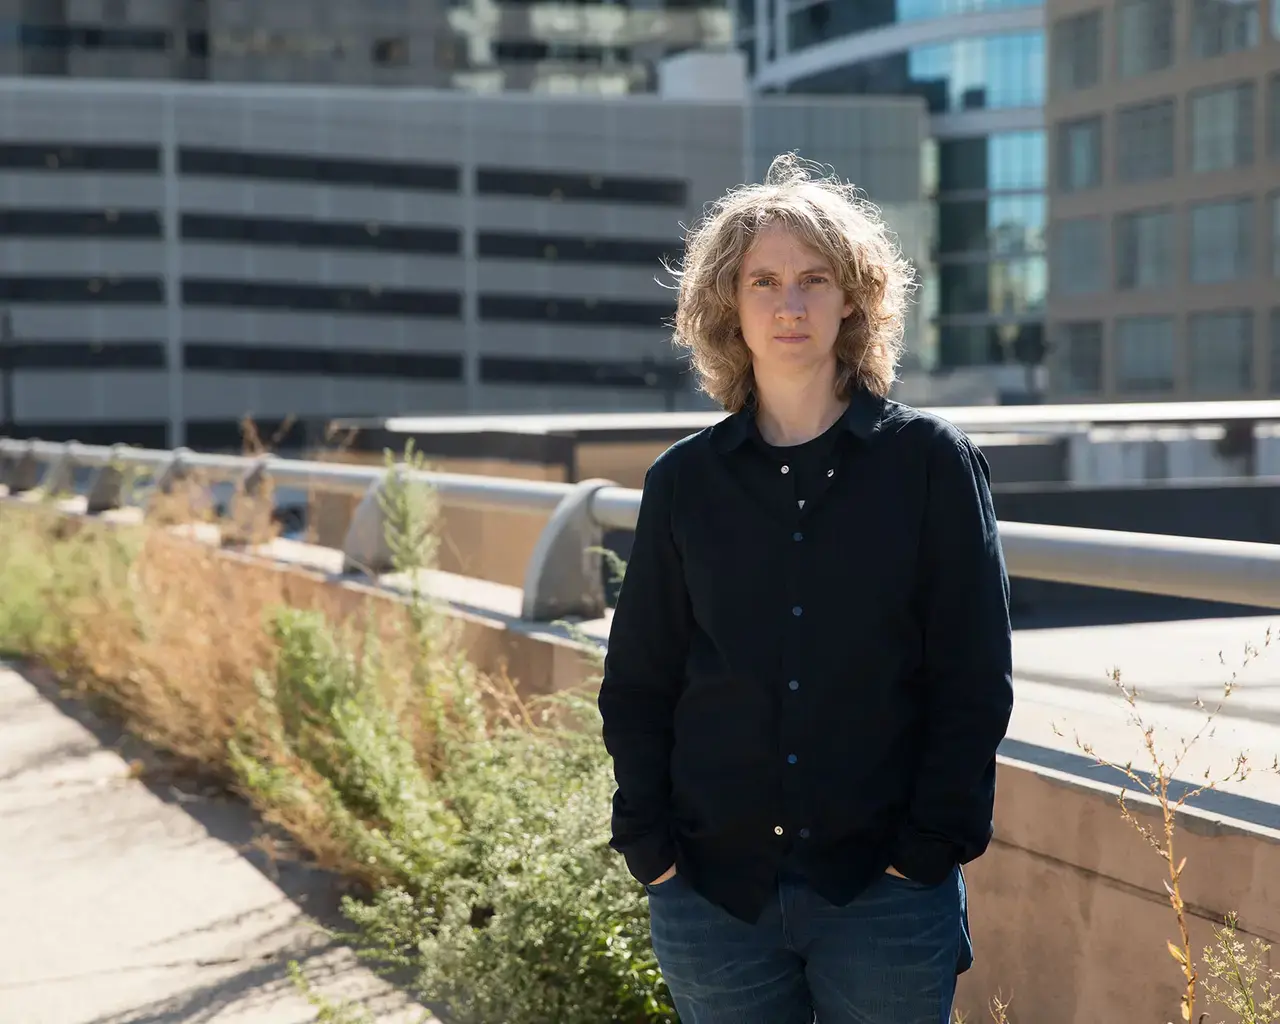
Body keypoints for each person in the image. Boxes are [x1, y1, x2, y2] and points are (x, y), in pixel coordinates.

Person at [597, 154, 1015, 1024]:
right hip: (713, 900)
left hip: (886, 897)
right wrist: (652, 854)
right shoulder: (683, 482)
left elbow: (973, 679)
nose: (790, 305)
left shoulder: (932, 465)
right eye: (765, 283)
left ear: (854, 297)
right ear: (729, 306)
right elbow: (640, 681)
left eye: (814, 280)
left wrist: (925, 851)